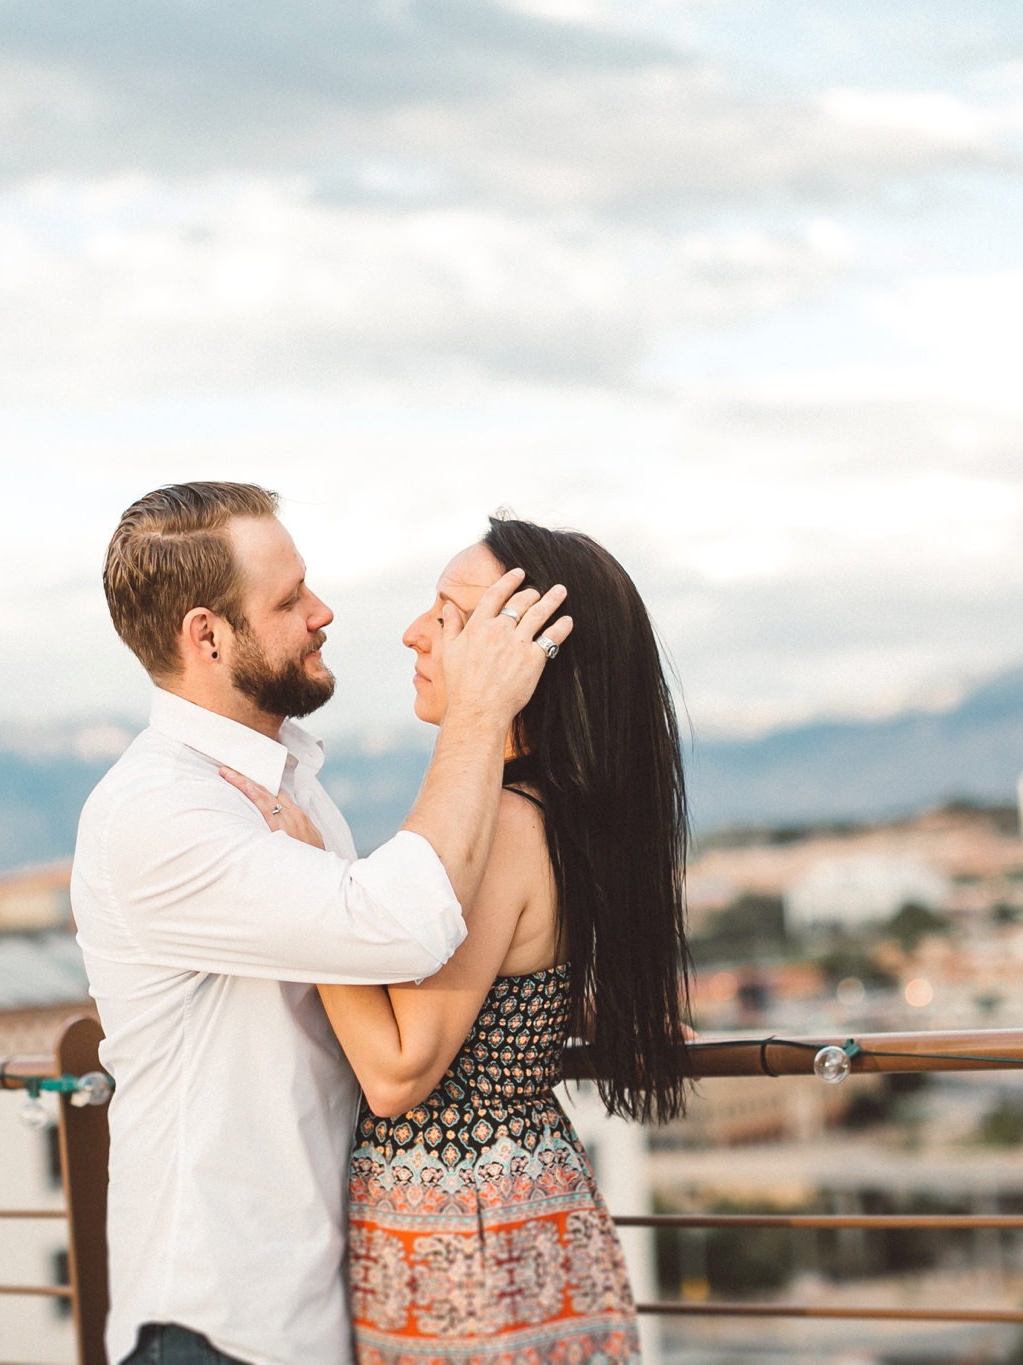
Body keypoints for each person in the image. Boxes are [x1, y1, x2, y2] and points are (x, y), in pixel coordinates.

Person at [73, 483, 572, 1365]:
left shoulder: (289, 786)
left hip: (315, 1310)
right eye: (290, 598)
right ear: (208, 636)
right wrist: (481, 710)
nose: (322, 611)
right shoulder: (161, 812)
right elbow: (402, 929)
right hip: (222, 1324)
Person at [224, 516, 690, 1364]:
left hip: (460, 1232)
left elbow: (400, 1068)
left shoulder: (506, 824)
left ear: (528, 653)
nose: (413, 631)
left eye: (448, 614)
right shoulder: (556, 811)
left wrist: (305, 886)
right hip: (519, 1206)